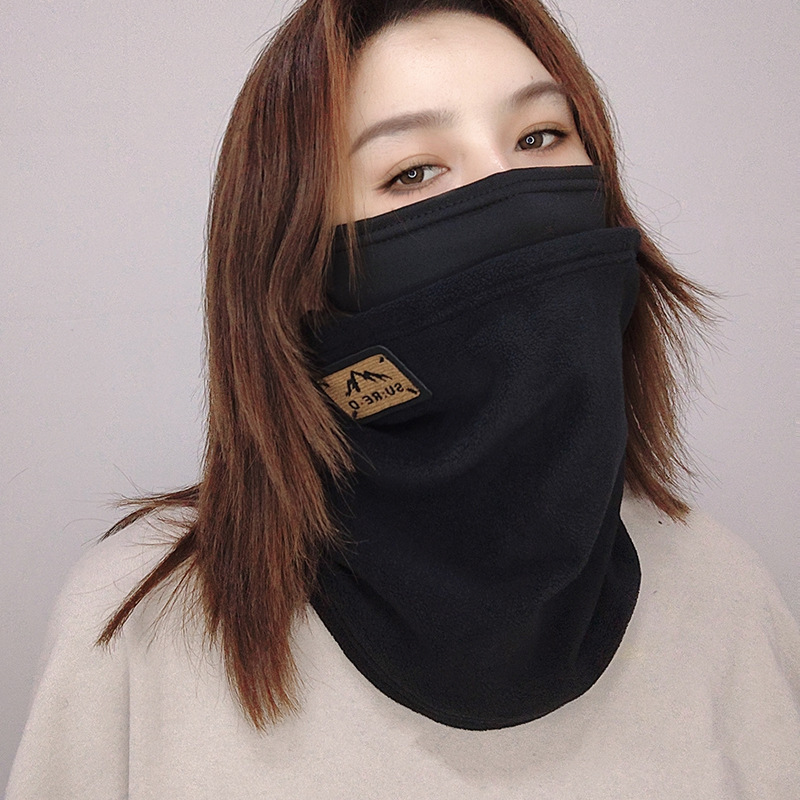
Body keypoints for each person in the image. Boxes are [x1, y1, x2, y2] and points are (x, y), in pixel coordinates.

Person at [6, 0, 799, 797]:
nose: (512, 195)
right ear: (301, 272)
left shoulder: (722, 598)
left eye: (539, 137)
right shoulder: (142, 627)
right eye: (413, 171)